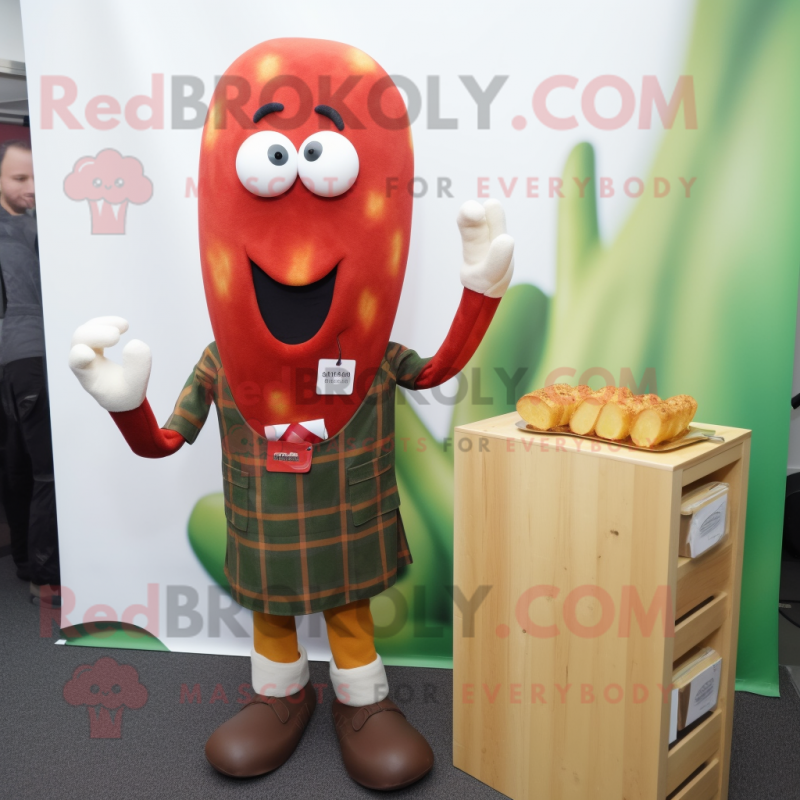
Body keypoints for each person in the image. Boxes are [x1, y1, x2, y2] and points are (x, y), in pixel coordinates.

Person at [0, 138, 60, 606]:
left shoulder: (44, 222)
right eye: (20, 178)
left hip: (33, 354)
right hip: (26, 356)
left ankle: (26, 563)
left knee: (21, 466)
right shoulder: (13, 230)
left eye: (38, 177)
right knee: (45, 470)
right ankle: (46, 577)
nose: (33, 187)